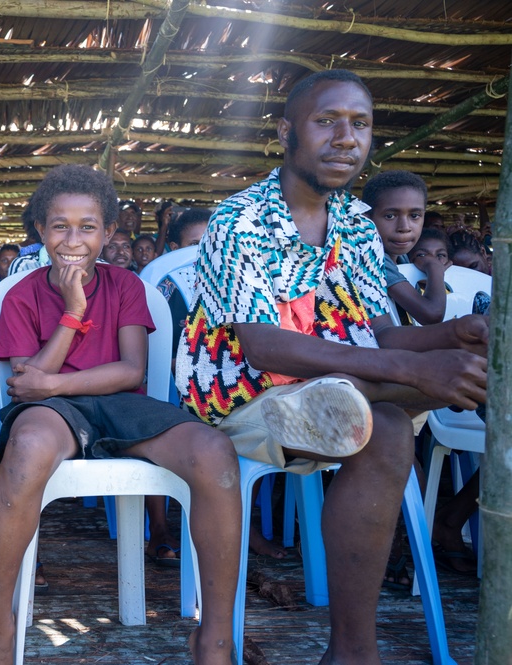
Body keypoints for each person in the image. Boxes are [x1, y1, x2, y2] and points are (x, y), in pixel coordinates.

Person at [175, 70, 487, 664]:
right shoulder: (241, 219)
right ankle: (354, 652)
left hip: (340, 386)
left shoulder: (355, 226)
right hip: (242, 396)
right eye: (328, 121)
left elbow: (380, 331)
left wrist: (453, 333)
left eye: (361, 124)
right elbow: (264, 347)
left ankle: (349, 653)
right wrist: (413, 368)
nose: (347, 138)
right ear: (286, 132)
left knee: (405, 406)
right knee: (390, 411)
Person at [0, 164, 241, 665]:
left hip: (119, 404)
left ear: (110, 231)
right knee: (26, 449)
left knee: (214, 451)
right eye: (59, 226)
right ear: (39, 231)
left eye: (88, 226)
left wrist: (52, 380)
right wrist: (72, 312)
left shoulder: (125, 287)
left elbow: (130, 369)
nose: (73, 239)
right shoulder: (20, 295)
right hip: (49, 412)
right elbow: (27, 387)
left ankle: (216, 637)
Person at [362, 170, 447, 325]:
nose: (404, 227)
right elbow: (431, 314)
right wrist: (435, 267)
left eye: (414, 216)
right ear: (367, 218)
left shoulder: (402, 258)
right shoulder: (373, 259)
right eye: (390, 216)